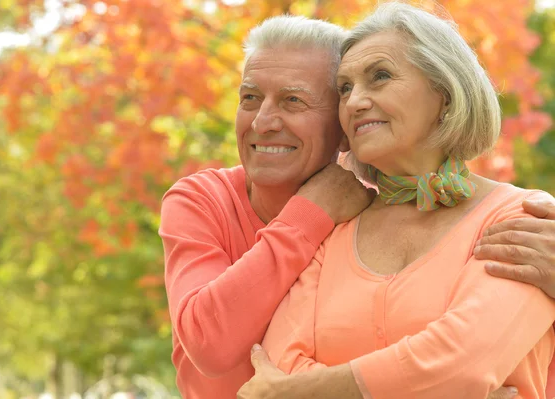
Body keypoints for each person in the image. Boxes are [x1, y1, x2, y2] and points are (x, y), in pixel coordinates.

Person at [159, 13, 555, 399]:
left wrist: (297, 392)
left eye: (294, 100)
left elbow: (462, 363)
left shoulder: (523, 217)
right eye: (345, 89)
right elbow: (271, 362)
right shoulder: (330, 226)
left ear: (445, 94)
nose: (263, 121)